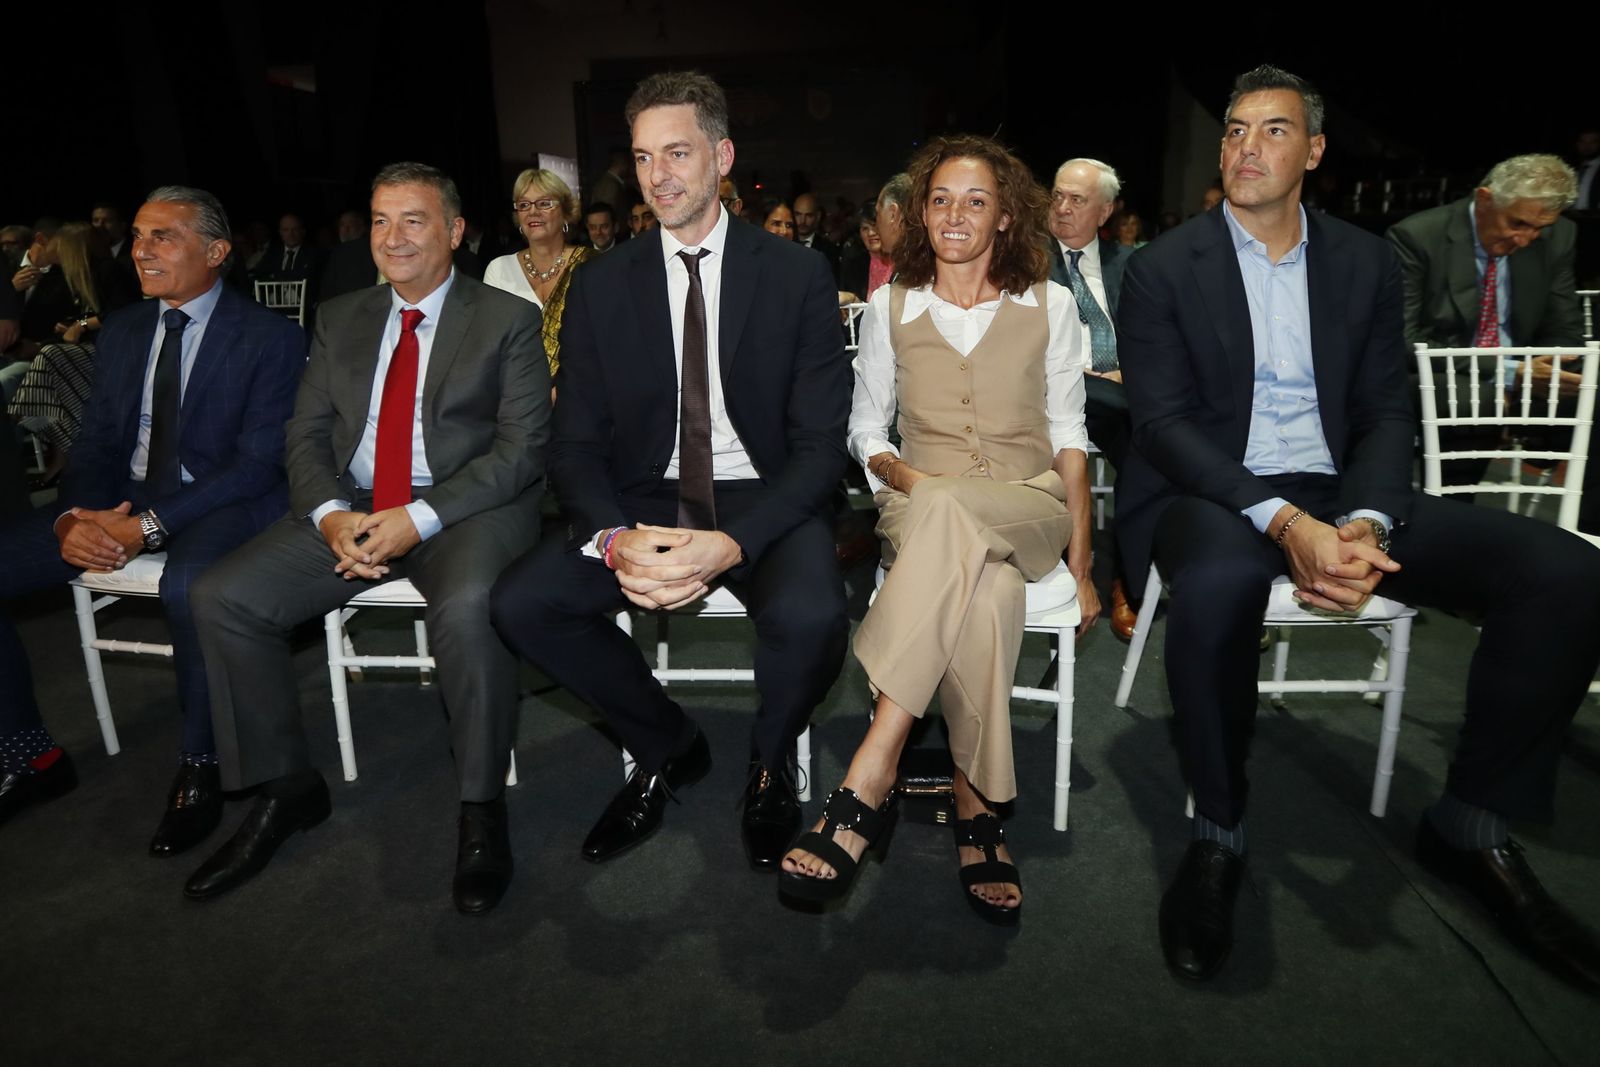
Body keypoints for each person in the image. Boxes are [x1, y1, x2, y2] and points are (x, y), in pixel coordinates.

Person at [1115, 64, 1600, 989]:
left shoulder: (1367, 260)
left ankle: (1471, 822)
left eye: (1273, 130)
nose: (1246, 147)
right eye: (1234, 129)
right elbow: (1166, 427)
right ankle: (1218, 831)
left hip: (1346, 484)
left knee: (1566, 572)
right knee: (1216, 585)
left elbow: (1385, 407)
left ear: (1316, 151)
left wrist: (1366, 518)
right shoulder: (1164, 267)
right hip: (1216, 489)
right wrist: (1287, 522)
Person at [489, 70, 850, 873]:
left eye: (678, 152)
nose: (658, 176)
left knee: (817, 615)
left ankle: (769, 762)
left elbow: (822, 450)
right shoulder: (601, 283)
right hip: (644, 496)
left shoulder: (794, 276)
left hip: (762, 490)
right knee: (521, 601)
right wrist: (613, 536)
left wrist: (732, 544)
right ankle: (668, 743)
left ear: (721, 155)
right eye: (645, 157)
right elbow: (574, 444)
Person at [183, 162, 548, 915]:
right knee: (222, 595)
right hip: (352, 505)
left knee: (470, 605)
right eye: (380, 220)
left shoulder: (506, 318)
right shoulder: (341, 315)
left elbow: (519, 454)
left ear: (454, 231)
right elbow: (305, 433)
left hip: (466, 508)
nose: (393, 237)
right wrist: (329, 515)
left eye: (414, 220)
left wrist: (417, 517)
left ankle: (481, 807)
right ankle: (288, 787)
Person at [779, 134, 1097, 923]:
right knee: (984, 589)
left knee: (969, 522)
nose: (956, 214)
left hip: (1027, 501)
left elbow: (1071, 440)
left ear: (1005, 217)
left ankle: (870, 769)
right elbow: (867, 434)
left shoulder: (1049, 305)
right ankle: (978, 805)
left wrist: (1085, 566)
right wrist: (923, 485)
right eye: (942, 199)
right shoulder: (893, 306)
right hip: (920, 505)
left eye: (976, 200)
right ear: (921, 212)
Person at [0, 186, 306, 849]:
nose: (141, 249)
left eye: (162, 236)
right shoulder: (126, 328)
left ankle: (202, 762)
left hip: (218, 501)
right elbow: (97, 444)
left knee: (190, 584)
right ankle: (31, 757)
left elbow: (256, 466)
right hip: (121, 499)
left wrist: (150, 527)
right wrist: (74, 519)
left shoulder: (270, 338)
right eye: (138, 235)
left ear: (216, 252)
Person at [1385, 155, 1593, 529]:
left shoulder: (1557, 236)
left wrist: (1556, 366)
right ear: (1484, 199)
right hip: (1440, 373)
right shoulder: (1417, 236)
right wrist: (1511, 374)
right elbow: (1405, 339)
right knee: (1474, 399)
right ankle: (1451, 524)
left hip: (1526, 372)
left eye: (1538, 229)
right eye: (1518, 223)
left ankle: (1587, 534)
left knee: (1591, 390)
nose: (1526, 238)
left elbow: (1564, 326)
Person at [1047, 157, 1137, 638]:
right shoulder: (1024, 259)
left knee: (1147, 448)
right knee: (1143, 420)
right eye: (1057, 196)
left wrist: (1132, 374)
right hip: (1052, 393)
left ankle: (1129, 578)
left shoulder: (1133, 264)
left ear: (1104, 213)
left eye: (1076, 200)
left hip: (1117, 395)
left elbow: (1156, 337)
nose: (1061, 208)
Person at [8, 221, 137, 483]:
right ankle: (63, 451)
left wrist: (80, 325)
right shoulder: (71, 278)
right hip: (82, 351)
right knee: (52, 362)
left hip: (114, 354)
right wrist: (68, 327)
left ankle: (20, 417)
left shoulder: (108, 270)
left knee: (51, 357)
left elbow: (127, 311)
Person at [482, 168, 593, 379]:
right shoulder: (499, 270)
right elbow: (492, 348)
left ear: (566, 212)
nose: (533, 212)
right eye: (524, 205)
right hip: (519, 394)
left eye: (544, 203)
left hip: (583, 391)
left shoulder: (592, 265)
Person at [793, 191, 840, 280]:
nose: (802, 221)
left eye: (809, 215)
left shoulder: (829, 250)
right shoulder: (785, 244)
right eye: (798, 214)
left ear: (818, 216)